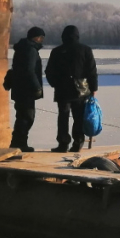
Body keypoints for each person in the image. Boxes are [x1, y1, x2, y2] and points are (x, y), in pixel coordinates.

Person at [45, 25, 98, 153]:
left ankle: (63, 144)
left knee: (63, 117)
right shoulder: (85, 50)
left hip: (62, 90)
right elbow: (92, 71)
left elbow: (49, 71)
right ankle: (78, 143)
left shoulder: (57, 51)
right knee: (78, 117)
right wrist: (94, 88)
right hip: (81, 90)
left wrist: (55, 84)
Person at [8, 26, 46, 152]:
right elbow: (30, 71)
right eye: (41, 37)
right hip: (26, 90)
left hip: (19, 89)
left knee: (22, 116)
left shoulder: (21, 48)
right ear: (36, 37)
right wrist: (37, 87)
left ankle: (18, 143)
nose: (42, 40)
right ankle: (19, 144)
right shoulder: (30, 50)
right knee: (27, 117)